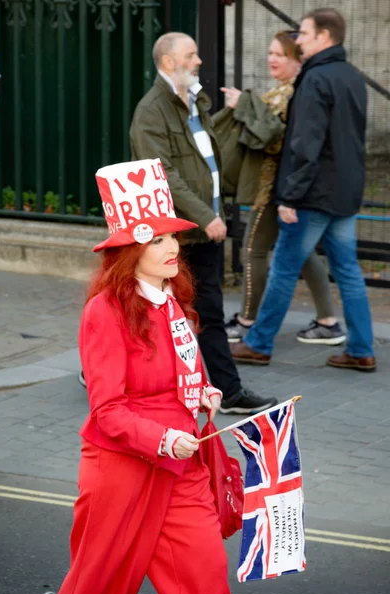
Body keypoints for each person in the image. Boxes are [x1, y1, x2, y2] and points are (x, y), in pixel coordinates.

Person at [57, 158, 233, 594]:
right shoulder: (105, 311)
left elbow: (183, 372)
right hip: (122, 469)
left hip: (181, 464)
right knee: (99, 588)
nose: (172, 246)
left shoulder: (172, 298)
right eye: (157, 239)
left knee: (206, 579)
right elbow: (108, 410)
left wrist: (202, 393)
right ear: (130, 250)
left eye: (172, 234)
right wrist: (165, 438)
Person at [130, 32, 277, 414]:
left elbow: (208, 161)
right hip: (176, 235)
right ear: (168, 63)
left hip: (200, 232)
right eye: (191, 55)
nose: (198, 61)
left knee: (205, 312)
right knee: (156, 312)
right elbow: (163, 173)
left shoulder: (193, 102)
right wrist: (205, 215)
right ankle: (111, 372)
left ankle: (227, 391)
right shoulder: (151, 112)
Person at [230, 8, 376, 372]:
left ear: (325, 36)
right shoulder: (352, 77)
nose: (299, 40)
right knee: (348, 271)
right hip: (344, 192)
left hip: (312, 194)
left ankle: (258, 343)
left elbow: (305, 145)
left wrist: (290, 196)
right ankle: (361, 350)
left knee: (282, 266)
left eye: (305, 34)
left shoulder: (314, 80)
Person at [219, 30, 345, 345]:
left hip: (276, 188)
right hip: (286, 186)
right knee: (303, 252)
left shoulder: (295, 94)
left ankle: (248, 321)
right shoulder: (284, 91)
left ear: (298, 60)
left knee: (253, 249)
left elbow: (277, 140)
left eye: (281, 54)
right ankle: (328, 322)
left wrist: (245, 106)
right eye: (271, 52)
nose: (272, 58)